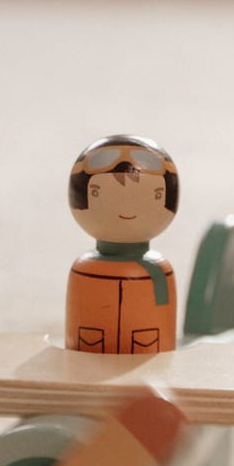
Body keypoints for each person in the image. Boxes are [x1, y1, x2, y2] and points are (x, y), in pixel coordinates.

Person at [66, 135, 181, 355]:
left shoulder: (158, 271)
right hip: (86, 366)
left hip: (149, 366)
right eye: (96, 192)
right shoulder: (84, 269)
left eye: (156, 194)